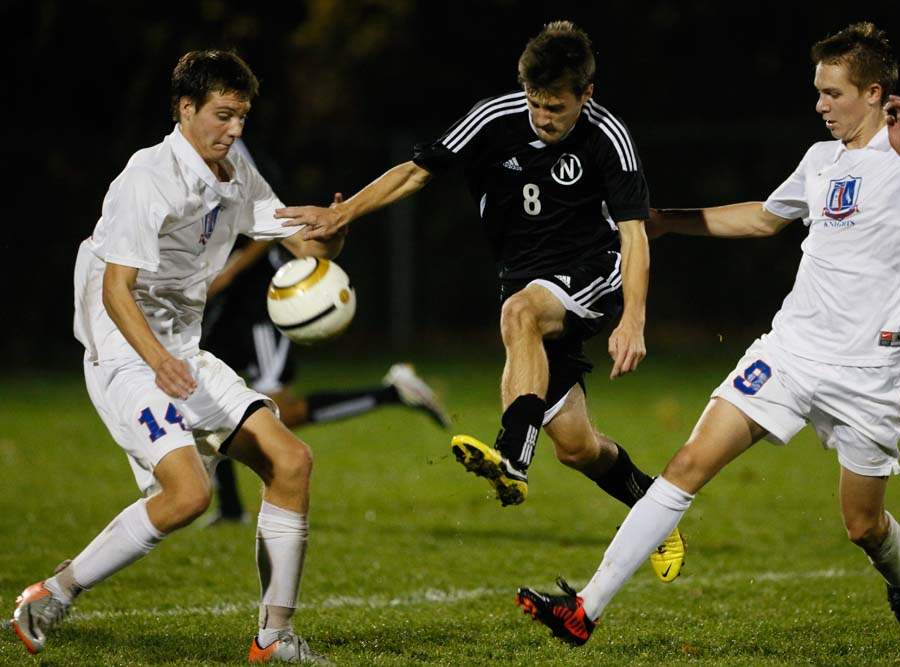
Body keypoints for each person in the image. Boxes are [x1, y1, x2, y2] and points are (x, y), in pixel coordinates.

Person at [514, 22, 900, 654]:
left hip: (867, 374)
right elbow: (766, 218)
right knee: (686, 465)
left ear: (875, 93)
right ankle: (586, 609)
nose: (820, 105)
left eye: (833, 93)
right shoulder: (822, 161)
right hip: (790, 351)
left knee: (864, 525)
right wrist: (666, 223)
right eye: (818, 92)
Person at [277, 21, 685, 582]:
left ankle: (513, 455)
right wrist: (341, 214)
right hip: (523, 277)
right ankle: (651, 507)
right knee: (576, 445)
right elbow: (416, 174)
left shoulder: (607, 136)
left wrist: (634, 320)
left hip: (593, 274)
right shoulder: (494, 119)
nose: (544, 118)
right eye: (537, 104)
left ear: (586, 95)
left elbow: (635, 235)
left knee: (519, 313)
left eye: (557, 108)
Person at [10, 50, 342, 663]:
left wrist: (330, 230)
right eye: (223, 115)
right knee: (189, 497)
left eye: (242, 115)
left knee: (290, 461)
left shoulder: (235, 167)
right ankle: (51, 592)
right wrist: (157, 362)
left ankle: (274, 638)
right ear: (186, 110)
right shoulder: (149, 177)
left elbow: (293, 234)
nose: (236, 129)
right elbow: (115, 290)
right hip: (124, 350)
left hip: (181, 348)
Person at [201, 141, 450, 525]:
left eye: (236, 114)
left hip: (262, 302)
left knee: (276, 414)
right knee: (205, 398)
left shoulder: (240, 155)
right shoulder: (187, 153)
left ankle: (390, 393)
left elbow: (269, 226)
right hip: (225, 307)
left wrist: (231, 271)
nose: (232, 123)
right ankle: (230, 507)